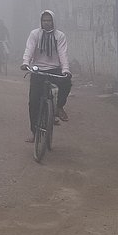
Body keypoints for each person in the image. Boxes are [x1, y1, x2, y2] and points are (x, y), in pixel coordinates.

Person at [21, 9, 72, 141]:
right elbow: (29, 49)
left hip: (55, 69)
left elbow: (63, 53)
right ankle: (34, 133)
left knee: (67, 82)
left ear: (53, 21)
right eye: (44, 20)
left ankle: (59, 107)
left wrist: (65, 69)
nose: (47, 23)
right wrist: (26, 62)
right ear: (41, 21)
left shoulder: (59, 36)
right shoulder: (35, 34)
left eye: (49, 20)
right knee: (33, 102)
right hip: (38, 70)